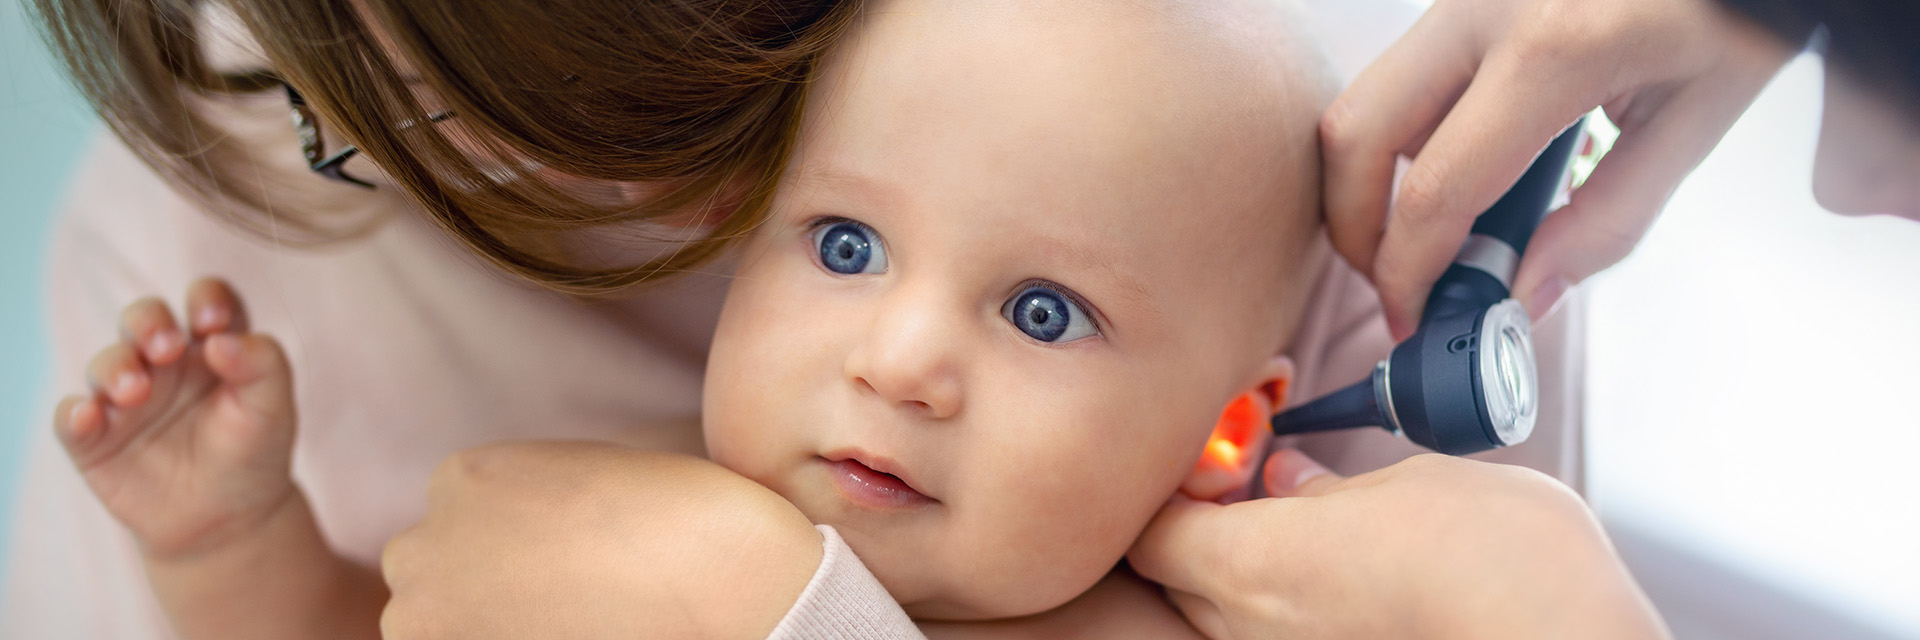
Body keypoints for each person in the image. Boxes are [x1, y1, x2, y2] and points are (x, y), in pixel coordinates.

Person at [57, 0, 1437, 636]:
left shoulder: (1189, 617)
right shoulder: (629, 520)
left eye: (1040, 312)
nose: (895, 361)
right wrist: (232, 539)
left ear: (1232, 423)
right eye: (844, 245)